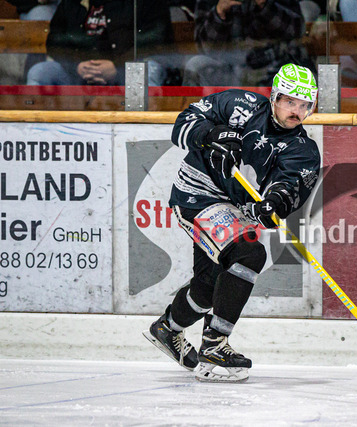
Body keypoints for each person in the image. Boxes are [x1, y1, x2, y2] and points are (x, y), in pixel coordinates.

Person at [144, 63, 320, 383]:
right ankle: (214, 344)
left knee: (209, 284)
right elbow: (183, 124)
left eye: (304, 105)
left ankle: (167, 329)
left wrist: (274, 203)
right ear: (274, 97)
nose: (296, 111)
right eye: (289, 101)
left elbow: (290, 190)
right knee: (248, 254)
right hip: (197, 193)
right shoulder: (240, 104)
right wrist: (212, 135)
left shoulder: (303, 150)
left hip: (235, 208)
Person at [26, 0, 174, 86]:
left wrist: (118, 67)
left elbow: (157, 40)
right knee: (40, 72)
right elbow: (55, 41)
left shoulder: (146, 2)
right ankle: (37, 129)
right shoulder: (73, 1)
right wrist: (76, 65)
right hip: (78, 72)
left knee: (143, 73)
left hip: (126, 70)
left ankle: (141, 128)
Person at [182, 0, 312, 87]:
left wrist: (265, 5)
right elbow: (204, 47)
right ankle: (198, 118)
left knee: (300, 71)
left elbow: (297, 32)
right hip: (228, 69)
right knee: (195, 65)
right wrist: (219, 12)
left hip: (274, 68)